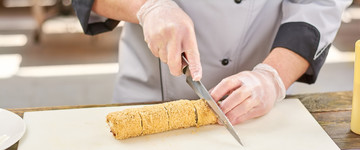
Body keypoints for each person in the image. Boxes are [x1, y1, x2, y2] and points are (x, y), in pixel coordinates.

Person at [72, 0, 351, 125]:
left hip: (260, 110)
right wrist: (147, 7)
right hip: (149, 95)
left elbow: (320, 4)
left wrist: (272, 77)